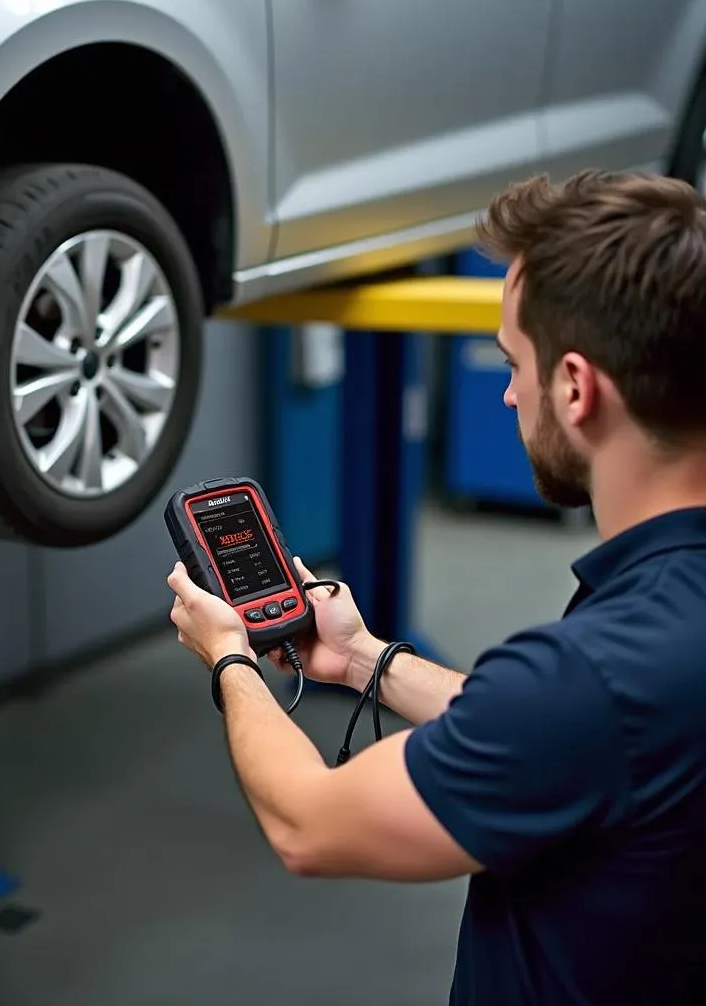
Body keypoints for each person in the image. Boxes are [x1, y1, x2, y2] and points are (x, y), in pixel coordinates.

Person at [166, 169, 706, 1005]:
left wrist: (229, 657)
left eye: (512, 361)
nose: (507, 391)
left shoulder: (598, 670)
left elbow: (309, 824)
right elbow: (571, 744)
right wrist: (361, 658)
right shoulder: (651, 637)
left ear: (574, 386)